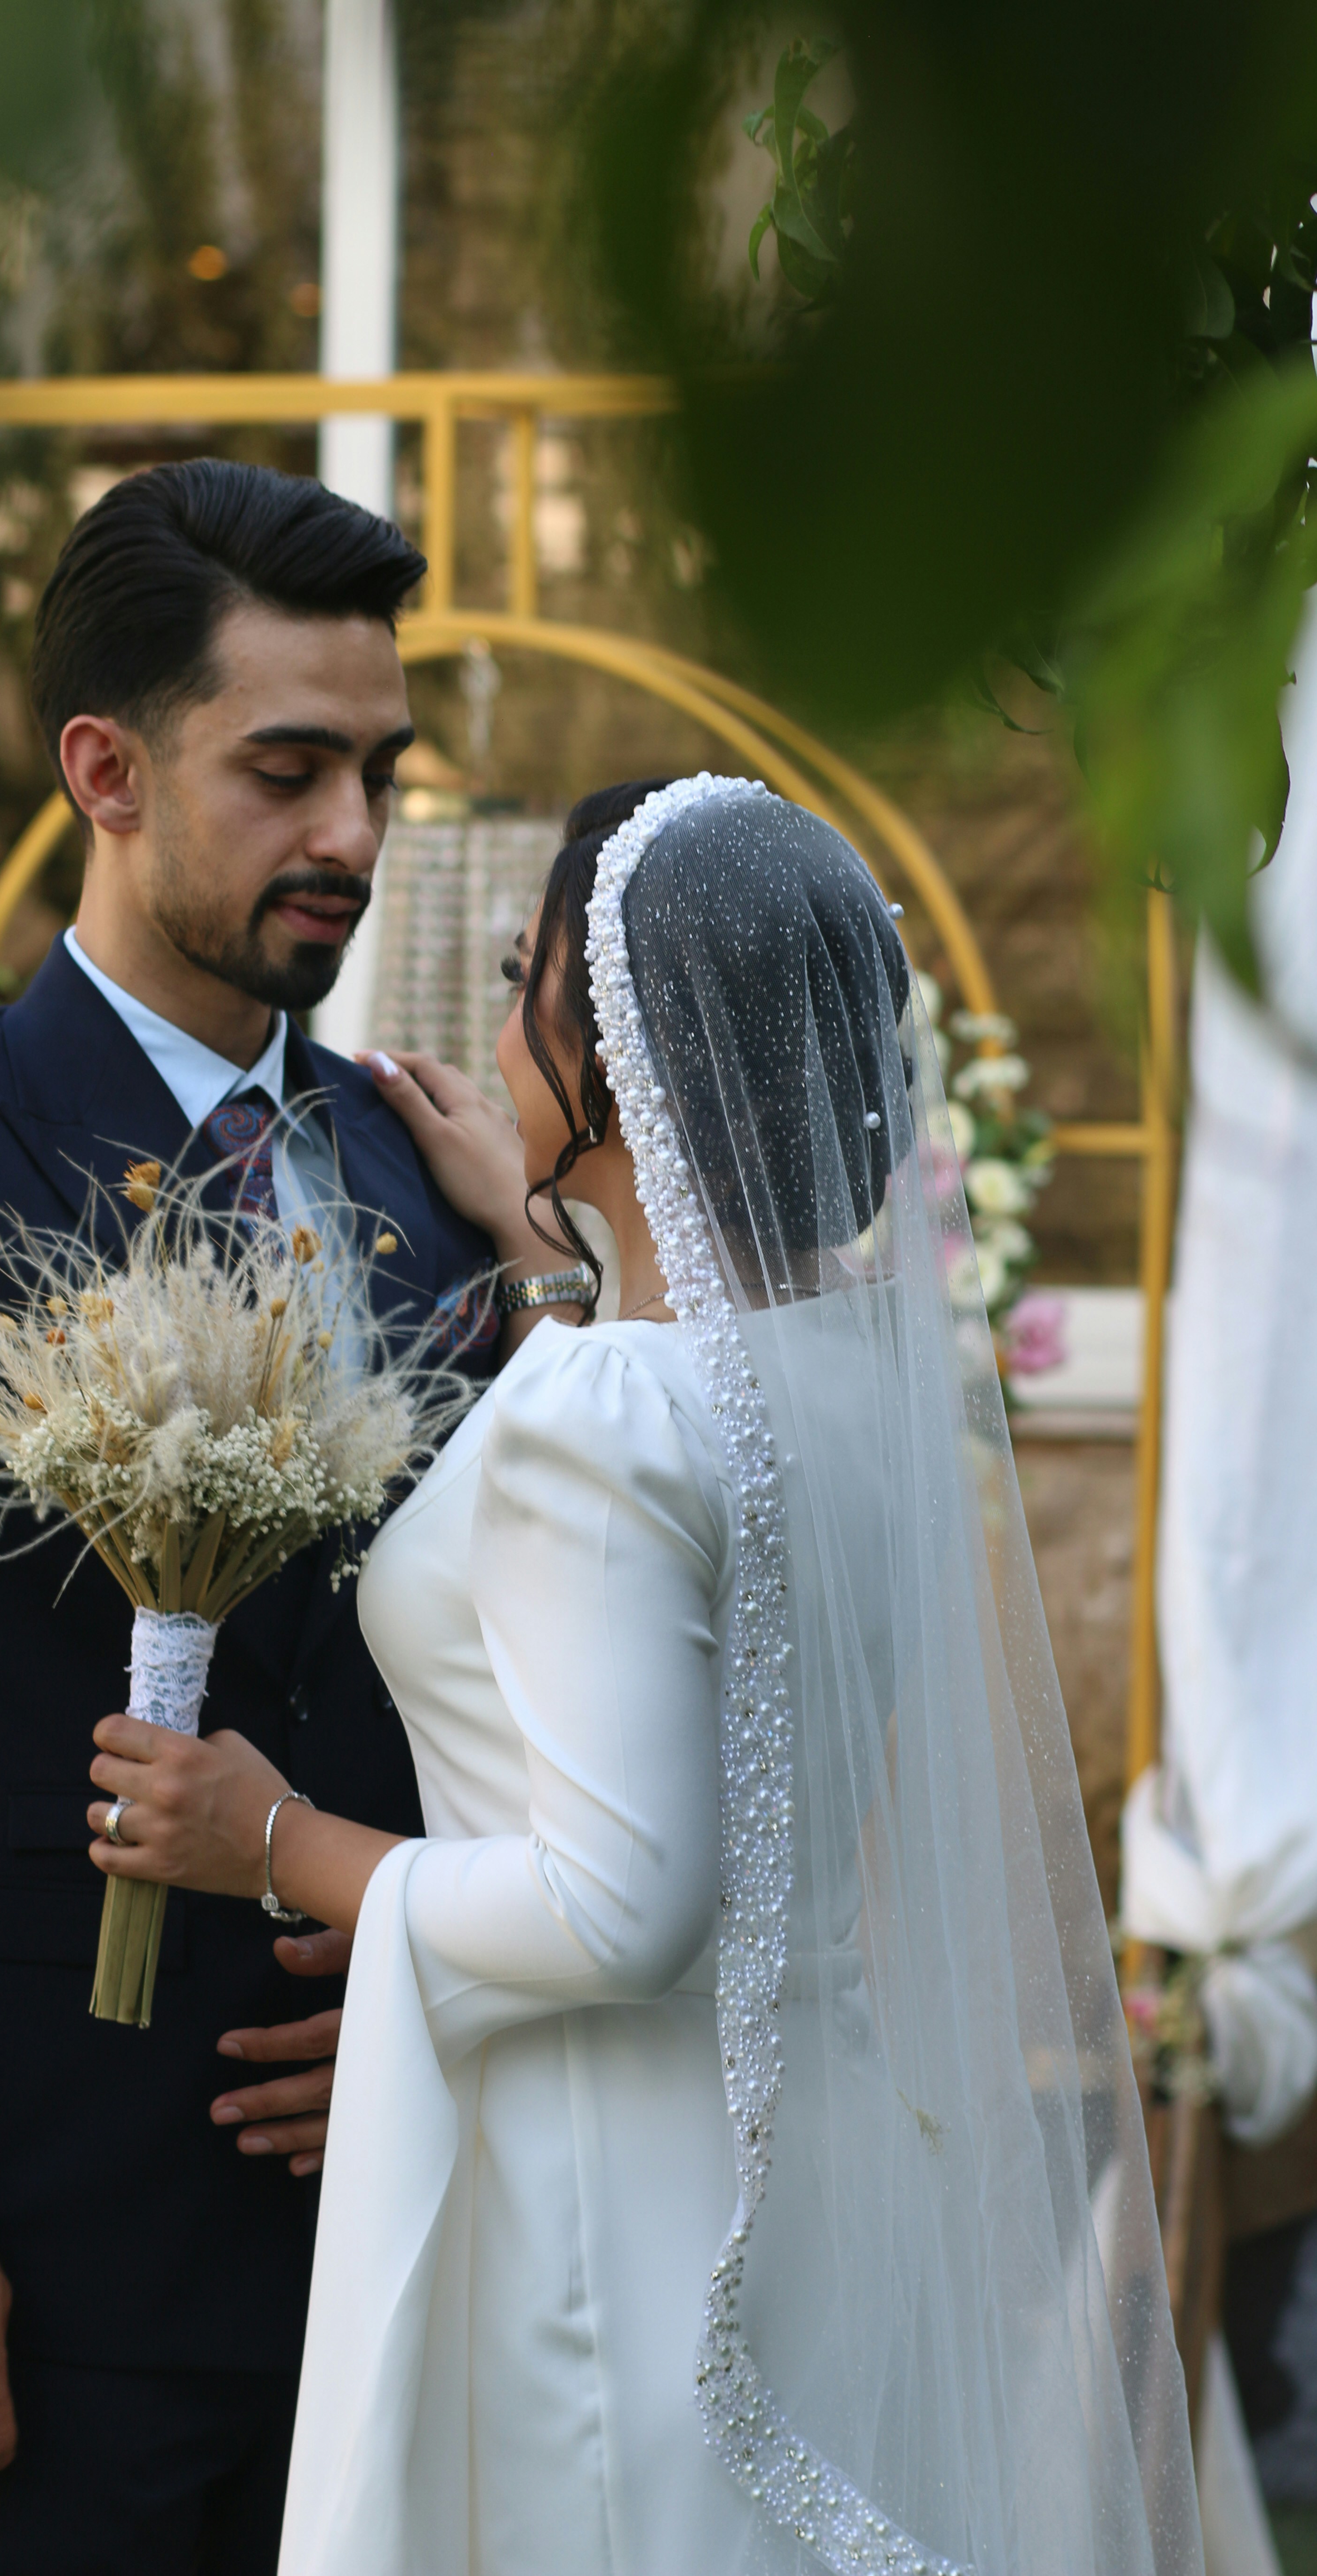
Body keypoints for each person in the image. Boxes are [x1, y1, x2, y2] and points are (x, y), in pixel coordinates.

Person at [89, 774, 1205, 2576]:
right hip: (809, 2148)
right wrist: (555, 1259)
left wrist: (273, 1838)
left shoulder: (616, 1414)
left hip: (611, 2201)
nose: (496, 1026)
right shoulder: (849, 1375)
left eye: (523, 979)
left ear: (613, 1056)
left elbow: (621, 1908)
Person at [0, 461, 577, 2576]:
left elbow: (533, 1667)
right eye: (288, 770)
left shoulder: (417, 1174)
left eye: (379, 773)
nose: (353, 836)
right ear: (108, 771)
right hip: (40, 2262)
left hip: (404, 2234)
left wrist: (441, 2001)